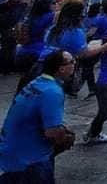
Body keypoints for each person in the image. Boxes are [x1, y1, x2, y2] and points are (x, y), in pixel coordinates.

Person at [0, 50, 76, 183]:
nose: (75, 64)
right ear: (61, 68)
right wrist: (64, 136)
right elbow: (52, 132)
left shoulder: (37, 82)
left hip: (11, 152)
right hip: (29, 159)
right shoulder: (52, 91)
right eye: (72, 62)